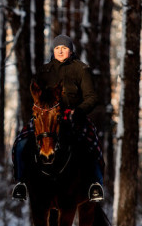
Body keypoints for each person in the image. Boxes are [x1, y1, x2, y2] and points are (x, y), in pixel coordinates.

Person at [11, 34, 104, 202]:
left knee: (91, 143)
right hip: (47, 117)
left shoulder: (81, 69)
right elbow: (36, 95)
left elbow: (92, 97)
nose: (60, 51)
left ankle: (95, 184)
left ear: (70, 50)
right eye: (57, 48)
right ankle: (21, 183)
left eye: (64, 48)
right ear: (53, 51)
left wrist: (79, 111)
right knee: (21, 143)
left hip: (73, 115)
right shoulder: (44, 70)